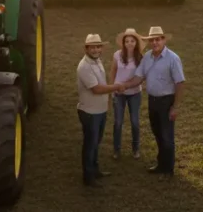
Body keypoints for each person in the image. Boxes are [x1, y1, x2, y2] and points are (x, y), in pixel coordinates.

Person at [120, 26, 186, 176]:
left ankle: (168, 170)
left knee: (167, 136)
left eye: (158, 39)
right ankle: (161, 164)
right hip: (153, 101)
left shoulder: (173, 58)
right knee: (158, 133)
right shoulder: (147, 57)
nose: (155, 42)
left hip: (166, 101)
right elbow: (138, 78)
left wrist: (175, 107)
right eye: (152, 40)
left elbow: (180, 83)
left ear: (163, 40)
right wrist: (124, 85)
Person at [76, 33, 122, 187]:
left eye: (98, 47)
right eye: (92, 47)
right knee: (90, 145)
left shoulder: (97, 61)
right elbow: (96, 89)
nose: (96, 50)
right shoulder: (84, 66)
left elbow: (102, 83)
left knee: (96, 143)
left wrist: (106, 104)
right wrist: (116, 87)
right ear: (86, 49)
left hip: (99, 111)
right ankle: (88, 177)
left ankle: (95, 170)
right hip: (90, 113)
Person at [110, 28, 144, 160]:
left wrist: (127, 85)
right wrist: (112, 89)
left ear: (136, 42)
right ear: (123, 43)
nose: (129, 43)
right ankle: (116, 149)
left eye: (132, 41)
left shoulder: (140, 57)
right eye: (127, 41)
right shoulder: (117, 55)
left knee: (135, 122)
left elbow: (140, 77)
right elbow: (113, 71)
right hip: (118, 93)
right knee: (118, 122)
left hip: (135, 93)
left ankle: (135, 149)